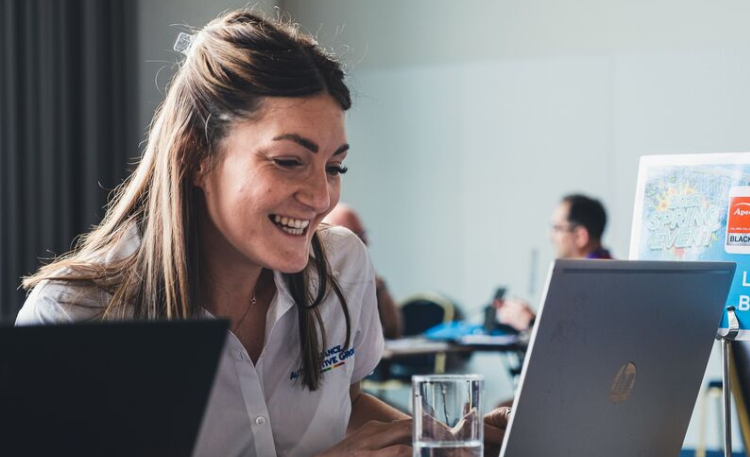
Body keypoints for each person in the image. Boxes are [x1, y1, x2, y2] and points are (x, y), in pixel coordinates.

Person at [16, 10, 508, 457]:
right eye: (289, 161)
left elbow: (346, 400)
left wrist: (439, 441)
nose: (320, 198)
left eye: (335, 166)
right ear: (194, 156)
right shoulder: (74, 315)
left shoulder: (341, 266)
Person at [495, 194, 613, 332]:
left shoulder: (595, 282)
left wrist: (531, 323)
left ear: (580, 236)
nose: (550, 236)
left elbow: (575, 342)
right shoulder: (609, 274)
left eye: (557, 229)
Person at [323, 203, 402, 339]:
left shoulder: (368, 276)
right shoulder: (313, 284)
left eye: (363, 235)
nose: (363, 243)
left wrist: (379, 287)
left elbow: (393, 331)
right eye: (354, 236)